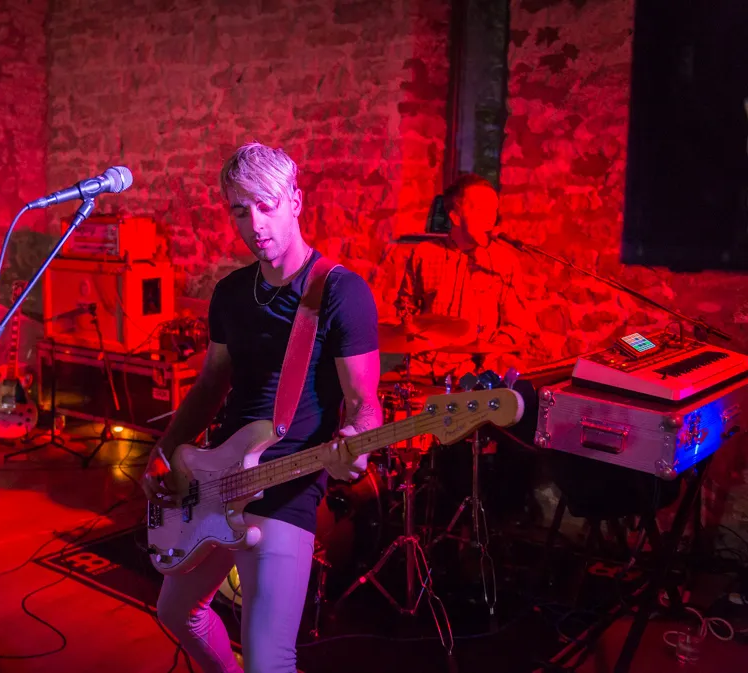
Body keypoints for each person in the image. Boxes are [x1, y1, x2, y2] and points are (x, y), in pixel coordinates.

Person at [141, 142, 382, 673]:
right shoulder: (229, 294)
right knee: (176, 611)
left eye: (267, 205)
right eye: (239, 210)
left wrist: (355, 446)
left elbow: (366, 403)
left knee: (269, 661)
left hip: (288, 486)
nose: (255, 224)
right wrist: (164, 455)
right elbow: (209, 387)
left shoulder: (340, 292)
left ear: (295, 200)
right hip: (220, 477)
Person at [393, 173, 535, 381]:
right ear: (456, 217)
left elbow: (517, 325)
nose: (490, 218)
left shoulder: (505, 261)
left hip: (474, 372)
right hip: (424, 368)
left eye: (493, 210)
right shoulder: (425, 254)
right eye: (481, 210)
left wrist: (488, 357)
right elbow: (406, 308)